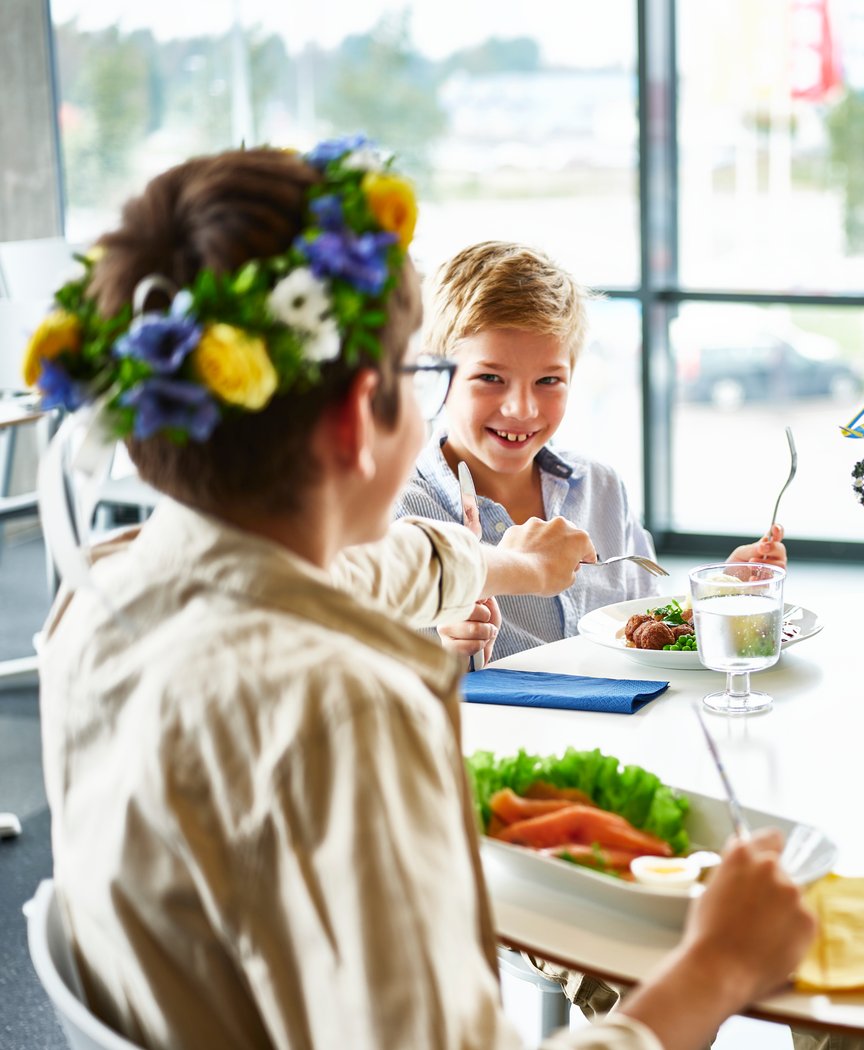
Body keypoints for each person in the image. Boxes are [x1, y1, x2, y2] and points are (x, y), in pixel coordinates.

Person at [29, 141, 814, 1050]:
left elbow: (381, 565)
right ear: (365, 410)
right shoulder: (344, 716)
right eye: (429, 376)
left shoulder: (108, 588)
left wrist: (510, 567)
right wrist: (717, 970)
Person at [394, 240, 785, 665]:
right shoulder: (401, 511)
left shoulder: (600, 488)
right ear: (436, 375)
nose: (522, 409)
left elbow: (643, 623)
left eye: (549, 381)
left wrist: (721, 594)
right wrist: (449, 652)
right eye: (490, 377)